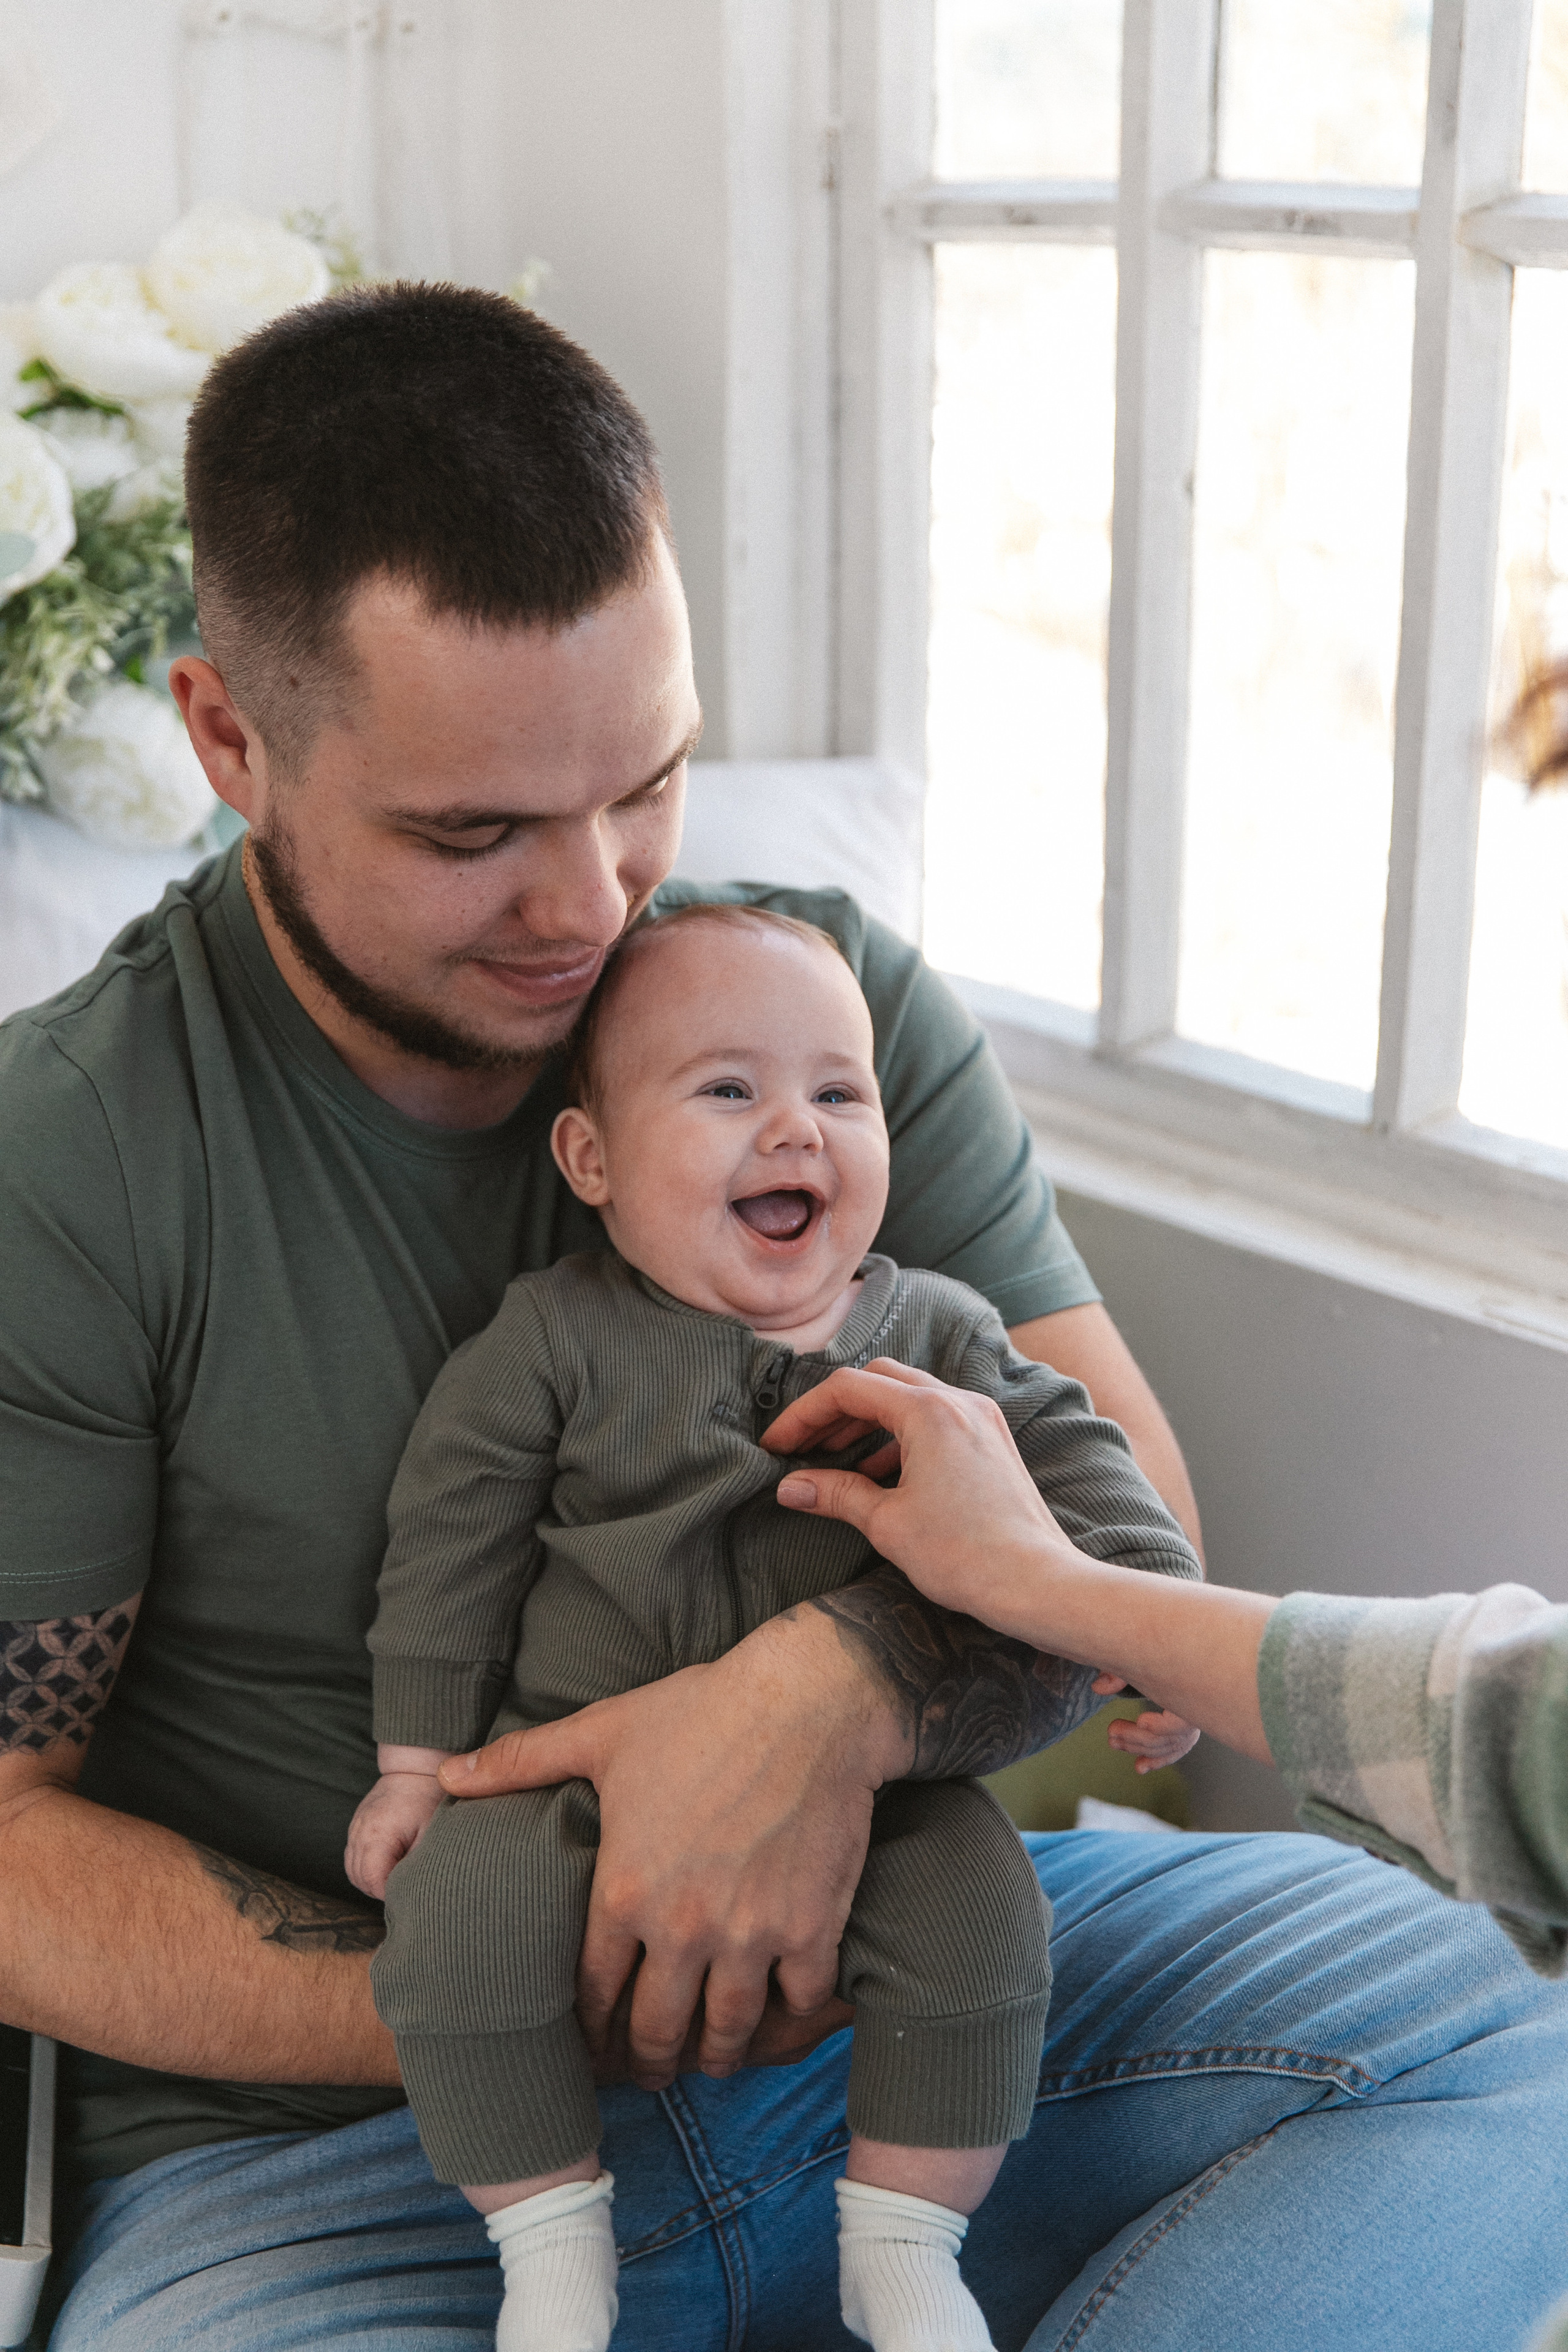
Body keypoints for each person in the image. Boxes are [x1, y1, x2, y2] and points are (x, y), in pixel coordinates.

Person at [1, 280, 1562, 2350]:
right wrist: (530, 1994)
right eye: (472, 832)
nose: (593, 903)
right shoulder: (69, 1158)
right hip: (340, 2148)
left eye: (645, 781)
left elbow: (1127, 1534)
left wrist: (827, 1703)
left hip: (906, 2019)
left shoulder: (814, 1015)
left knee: (1499, 2026)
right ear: (230, 741)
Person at [345, 902, 1201, 2352]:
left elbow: (1076, 1459)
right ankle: (549, 2248)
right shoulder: (553, 1339)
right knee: (452, 1930)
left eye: (838, 1094)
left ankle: (903, 2246)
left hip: (882, 1795)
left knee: (985, 1925)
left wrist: (1153, 1613)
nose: (796, 1128)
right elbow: (449, 1544)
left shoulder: (939, 1334)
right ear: (592, 1161)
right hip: (564, 1778)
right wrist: (417, 1766)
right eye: (729, 1090)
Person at [763, 1356, 1568, 2342]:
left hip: (920, 1938)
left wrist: (1077, 1605)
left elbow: (1117, 1480)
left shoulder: (932, 1329)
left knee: (1518, 1969)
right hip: (642, 2047)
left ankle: (902, 2241)